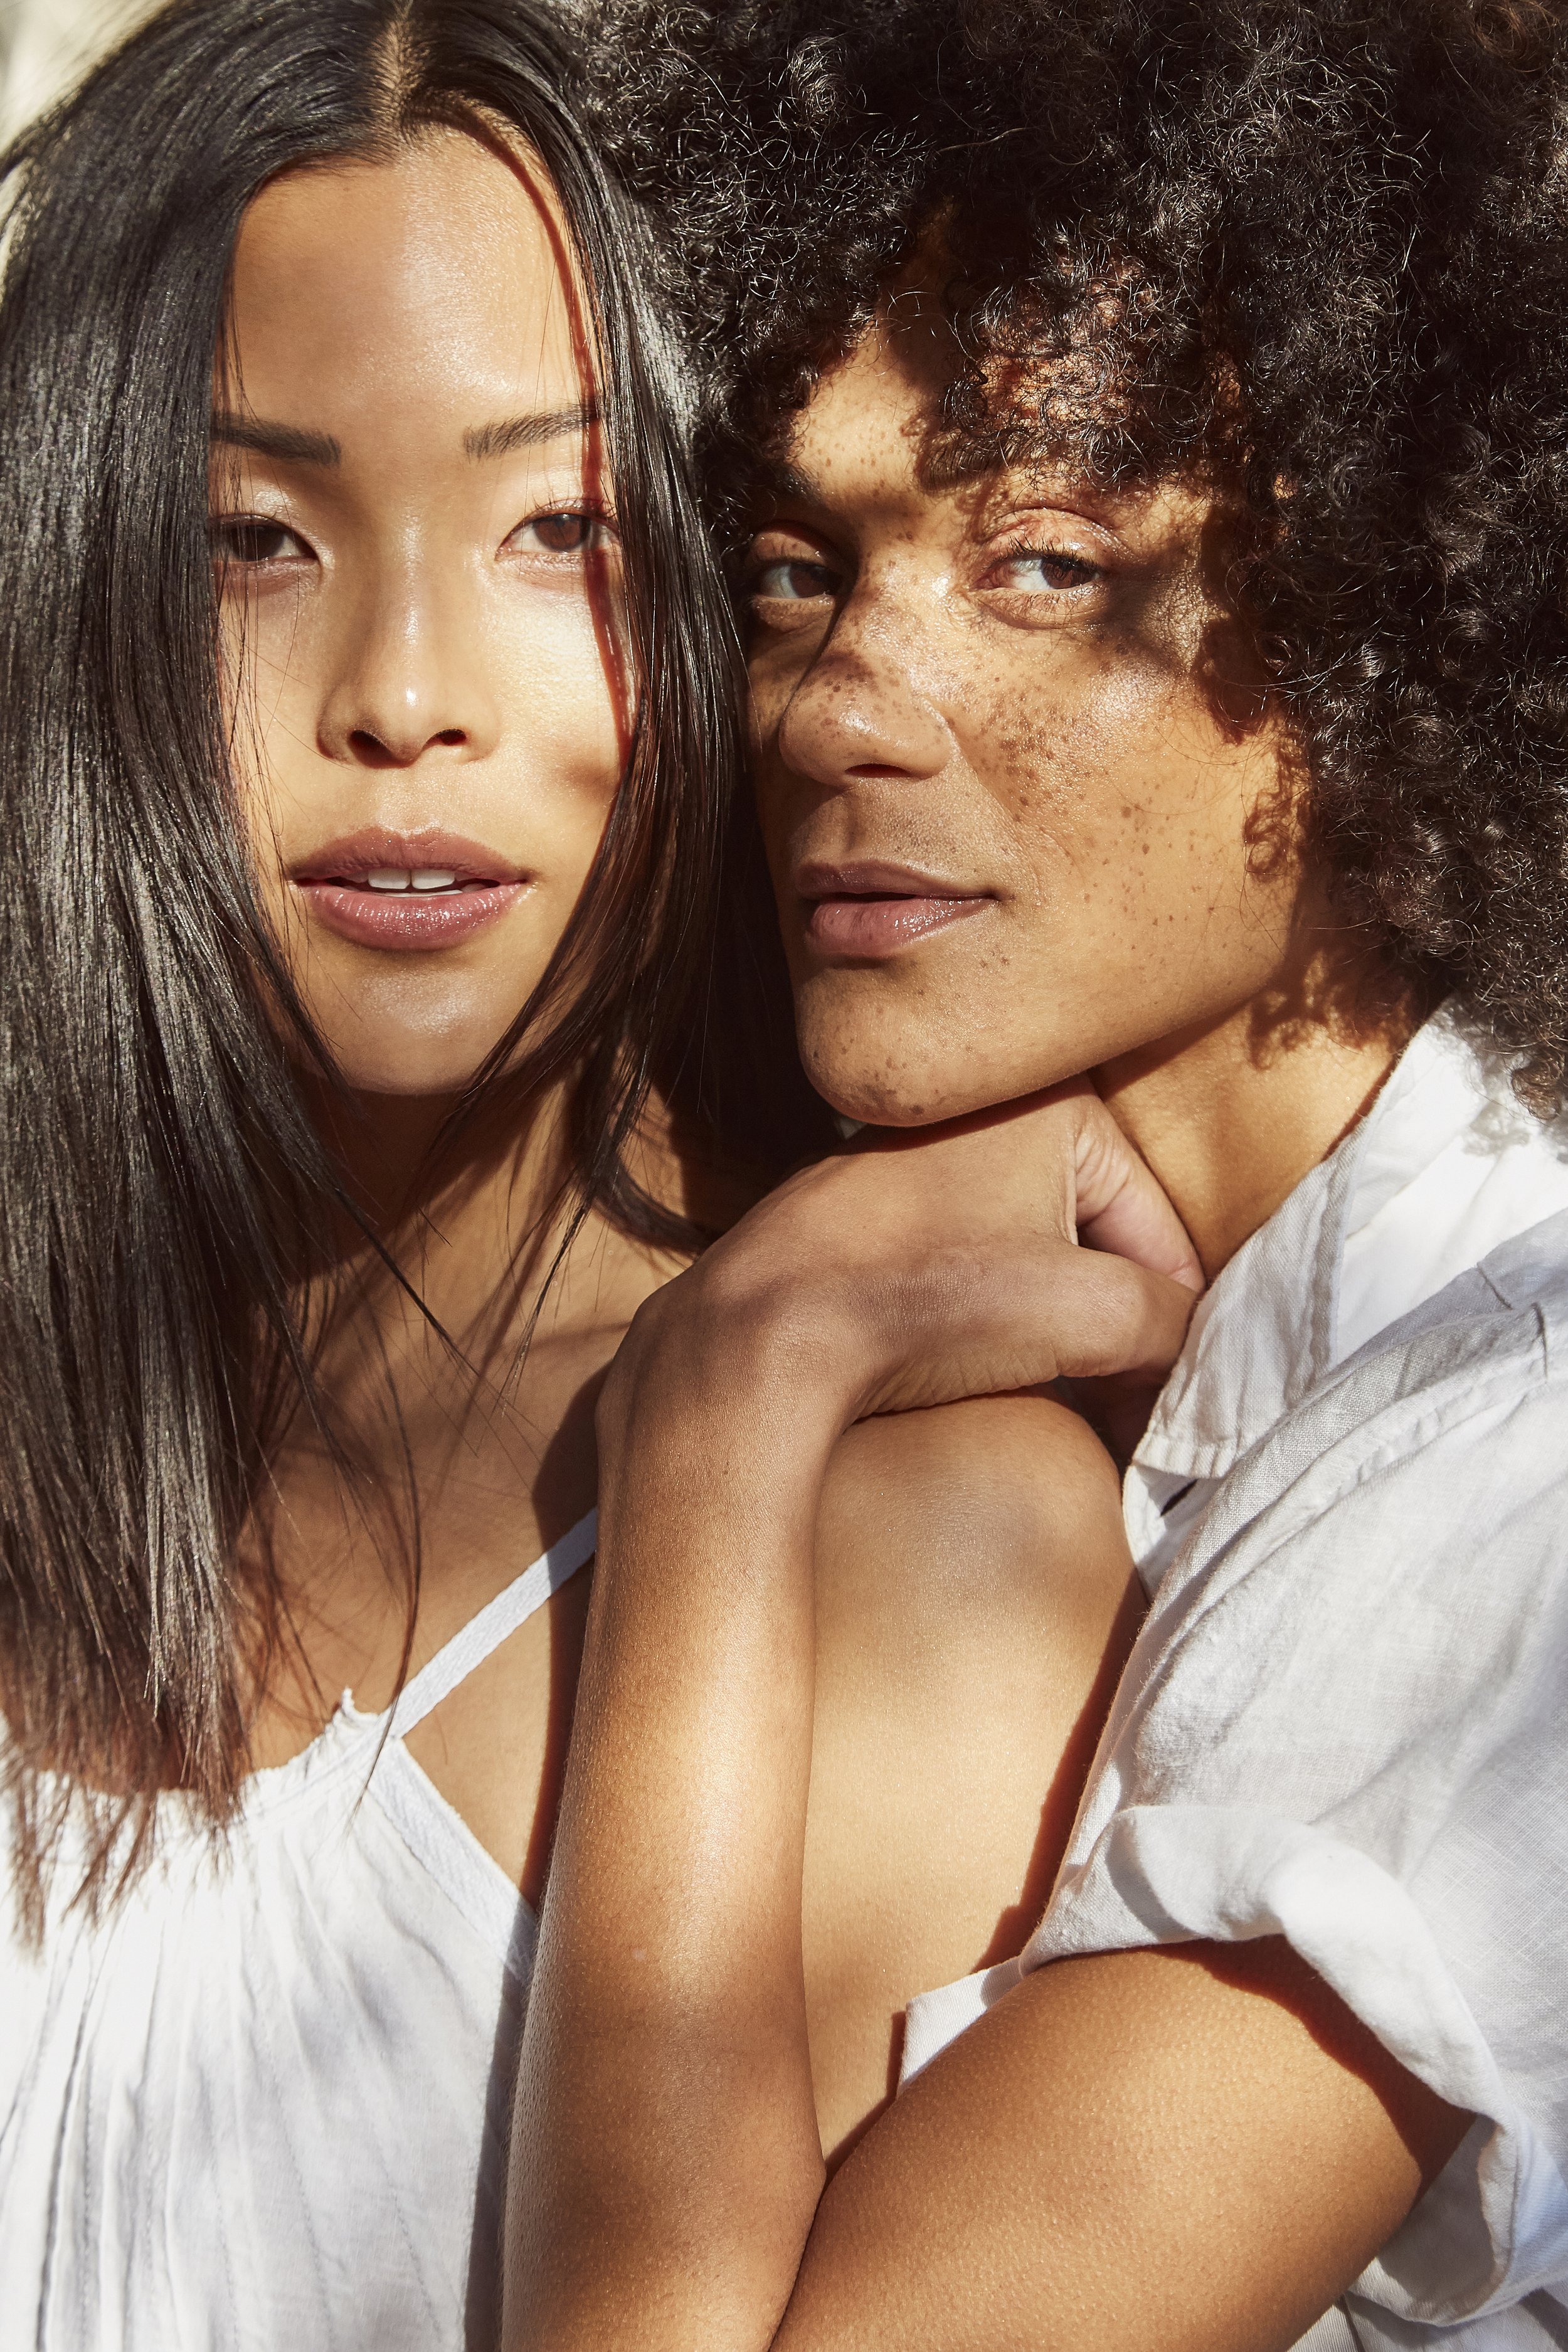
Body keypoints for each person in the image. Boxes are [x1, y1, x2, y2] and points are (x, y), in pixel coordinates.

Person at [0, 2, 1173, 2342]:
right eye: (253, 537)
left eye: (563, 531)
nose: (402, 690)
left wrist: (741, 1395)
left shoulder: (926, 1546)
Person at [507, 3, 1568, 2347]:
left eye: (1049, 565)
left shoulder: (1509, 1506)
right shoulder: (1137, 1355)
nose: (837, 708)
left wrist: (728, 1400)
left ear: (1390, 616)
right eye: (793, 568)